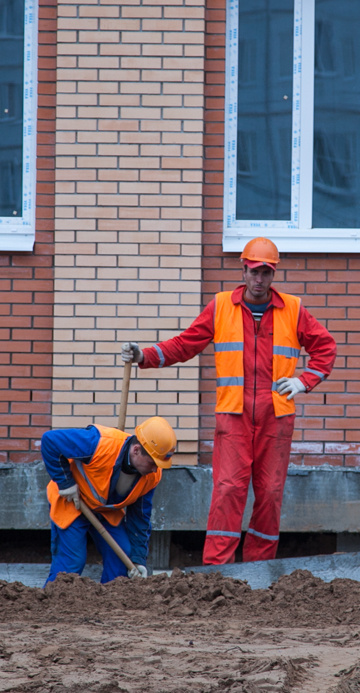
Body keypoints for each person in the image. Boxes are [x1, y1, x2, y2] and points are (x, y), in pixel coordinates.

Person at [121, 237, 336, 565]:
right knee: (227, 491)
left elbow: (325, 347)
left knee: (269, 494)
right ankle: (217, 571)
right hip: (233, 416)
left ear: (273, 273)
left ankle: (258, 569)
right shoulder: (221, 306)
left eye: (266, 272)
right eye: (254, 271)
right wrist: (144, 356)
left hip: (275, 417)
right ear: (244, 270)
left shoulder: (292, 309)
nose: (259, 279)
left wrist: (304, 381)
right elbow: (185, 344)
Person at [40, 416, 177, 584]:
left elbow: (140, 518)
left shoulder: (151, 476)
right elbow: (50, 441)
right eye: (152, 462)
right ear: (136, 450)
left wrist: (138, 559)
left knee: (122, 555)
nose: (155, 469)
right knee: (73, 561)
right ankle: (55, 603)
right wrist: (65, 482)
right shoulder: (99, 444)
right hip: (73, 502)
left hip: (104, 511)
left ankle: (110, 603)